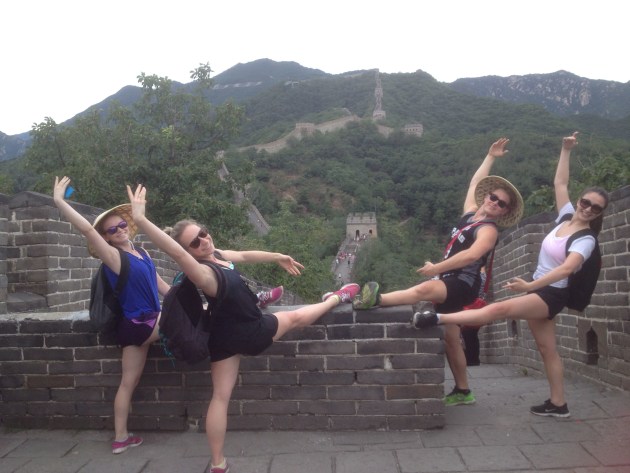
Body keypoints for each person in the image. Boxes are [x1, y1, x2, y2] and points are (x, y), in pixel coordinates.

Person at [127, 184, 360, 473]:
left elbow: (245, 255)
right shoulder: (204, 273)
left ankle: (218, 464)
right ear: (190, 252)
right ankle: (339, 296)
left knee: (220, 397)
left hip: (222, 336)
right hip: (250, 331)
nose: (203, 241)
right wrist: (143, 220)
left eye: (203, 233)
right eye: (195, 243)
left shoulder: (218, 257)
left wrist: (277, 256)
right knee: (296, 317)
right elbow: (175, 252)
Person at [413, 132, 609, 418]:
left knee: (499, 309)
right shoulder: (566, 216)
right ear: (580, 201)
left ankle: (435, 318)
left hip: (552, 292)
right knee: (547, 349)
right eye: (586, 202)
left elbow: (566, 270)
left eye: (596, 208)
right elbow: (560, 182)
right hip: (539, 290)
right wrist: (566, 150)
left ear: (600, 213)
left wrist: (530, 285)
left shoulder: (586, 239)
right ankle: (559, 404)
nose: (588, 208)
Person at [352, 138, 524, 407]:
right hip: (450, 278)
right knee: (452, 339)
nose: (495, 203)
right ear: (486, 196)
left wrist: (436, 269)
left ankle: (375, 298)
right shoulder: (470, 215)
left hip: (463, 281)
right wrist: (490, 156)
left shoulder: (488, 230)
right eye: (494, 197)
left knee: (423, 290)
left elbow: (471, 255)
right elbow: (473, 183)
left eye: (502, 204)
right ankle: (463, 390)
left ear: (504, 212)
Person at [52, 176, 171, 454]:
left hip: (139, 328)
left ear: (127, 226)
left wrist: (183, 296)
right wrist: (59, 201)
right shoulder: (114, 257)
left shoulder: (142, 252)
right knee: (188, 318)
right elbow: (86, 229)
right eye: (111, 230)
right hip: (140, 324)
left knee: (128, 383)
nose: (118, 231)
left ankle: (121, 438)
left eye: (121, 225)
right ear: (105, 236)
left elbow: (162, 287)